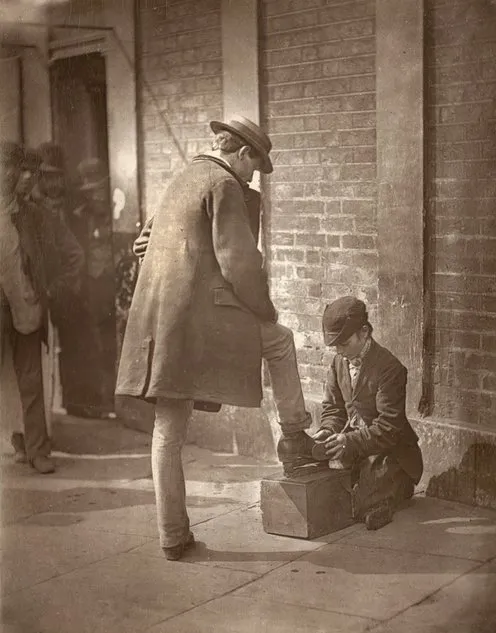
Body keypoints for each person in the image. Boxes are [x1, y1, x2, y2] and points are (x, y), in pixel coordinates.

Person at [116, 115, 326, 560]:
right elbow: (238, 265)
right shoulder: (226, 184)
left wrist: (146, 247)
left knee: (166, 432)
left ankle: (173, 537)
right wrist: (265, 309)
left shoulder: (183, 177)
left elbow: (146, 239)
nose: (254, 176)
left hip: (163, 326)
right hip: (202, 322)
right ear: (242, 152)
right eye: (256, 165)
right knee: (281, 339)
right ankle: (293, 438)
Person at [0, 142, 84, 473]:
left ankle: (36, 449)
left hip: (27, 309)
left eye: (25, 171)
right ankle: (19, 440)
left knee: (30, 378)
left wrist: (50, 289)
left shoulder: (35, 216)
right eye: (14, 169)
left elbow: (73, 255)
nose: (21, 177)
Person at [312, 296, 424, 530]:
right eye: (335, 345)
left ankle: (398, 489)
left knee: (363, 492)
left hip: (390, 451)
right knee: (328, 486)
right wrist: (327, 430)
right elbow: (334, 409)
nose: (339, 350)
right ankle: (373, 495)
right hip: (357, 446)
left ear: (364, 332)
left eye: (344, 343)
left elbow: (388, 428)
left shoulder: (389, 368)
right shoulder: (338, 363)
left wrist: (349, 441)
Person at [34, 143, 102, 418]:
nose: (53, 182)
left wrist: (72, 284)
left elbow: (79, 249)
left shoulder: (74, 205)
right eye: (47, 176)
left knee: (79, 342)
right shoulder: (34, 209)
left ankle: (79, 402)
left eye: (57, 176)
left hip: (73, 287)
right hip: (46, 287)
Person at [70, 158, 116, 414]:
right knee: (93, 342)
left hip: (110, 282)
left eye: (98, 191)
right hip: (91, 284)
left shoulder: (116, 213)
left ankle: (110, 397)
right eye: (90, 192)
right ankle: (97, 398)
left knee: (109, 341)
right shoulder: (81, 217)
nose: (95, 197)